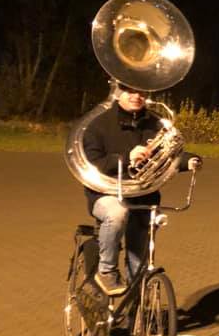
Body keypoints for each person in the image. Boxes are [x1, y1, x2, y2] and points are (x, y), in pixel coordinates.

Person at [82, 82, 202, 296]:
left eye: (141, 91)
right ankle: (106, 271)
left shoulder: (155, 124)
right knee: (117, 213)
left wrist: (189, 161)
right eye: (130, 90)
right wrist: (125, 158)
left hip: (144, 196)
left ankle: (136, 309)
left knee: (138, 263)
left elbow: (169, 154)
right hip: (106, 193)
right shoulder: (98, 125)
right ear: (118, 93)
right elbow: (91, 162)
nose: (136, 96)